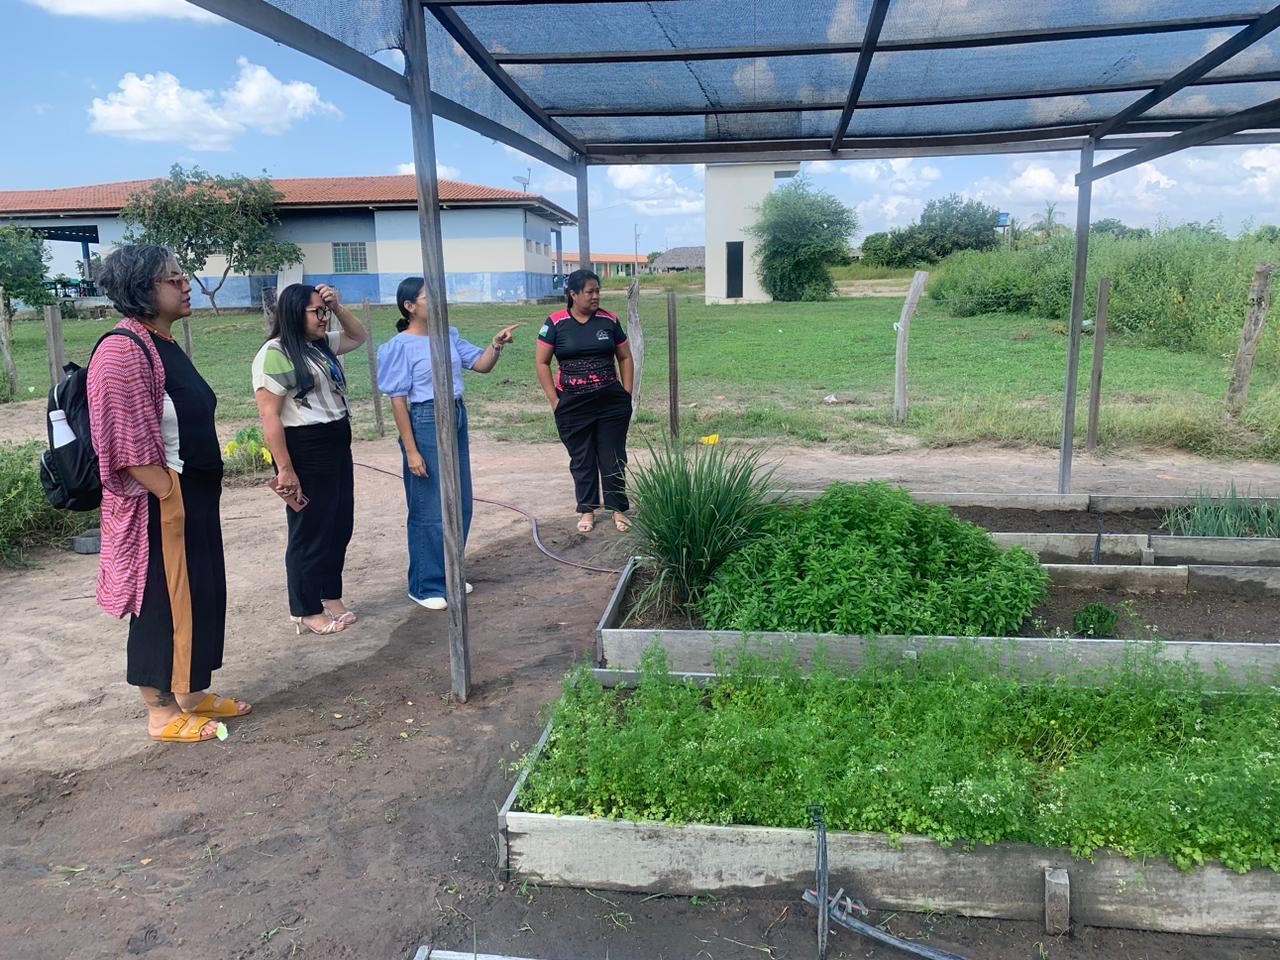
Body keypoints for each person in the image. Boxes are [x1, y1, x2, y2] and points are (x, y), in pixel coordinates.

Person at [88, 244, 250, 743]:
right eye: (172, 278)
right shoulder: (121, 350)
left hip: (192, 493)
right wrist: (167, 492)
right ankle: (160, 712)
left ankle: (192, 692)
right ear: (142, 289)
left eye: (183, 276)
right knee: (163, 599)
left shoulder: (162, 341)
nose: (185, 285)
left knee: (200, 592)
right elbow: (121, 443)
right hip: (160, 501)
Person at [377, 276, 519, 609]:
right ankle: (425, 585)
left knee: (461, 500)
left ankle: (450, 573)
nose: (438, 301)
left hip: (456, 415)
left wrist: (496, 344)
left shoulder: (448, 336)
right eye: (430, 297)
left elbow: (481, 365)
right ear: (410, 307)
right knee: (429, 506)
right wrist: (411, 450)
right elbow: (398, 400)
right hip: (425, 420)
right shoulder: (399, 346)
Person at [253, 283, 367, 635]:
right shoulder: (276, 352)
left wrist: (339, 306)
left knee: (338, 524)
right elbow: (270, 416)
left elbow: (358, 336)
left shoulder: (319, 346)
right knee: (310, 531)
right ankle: (304, 608)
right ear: (293, 313)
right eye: (316, 311)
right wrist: (285, 469)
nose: (323, 317)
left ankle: (329, 594)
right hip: (305, 449)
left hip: (335, 443)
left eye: (325, 311)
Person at [535, 268, 634, 533]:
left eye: (598, 291)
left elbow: (624, 357)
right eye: (590, 292)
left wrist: (627, 393)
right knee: (582, 458)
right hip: (573, 404)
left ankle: (617, 509)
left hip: (611, 402)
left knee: (613, 457)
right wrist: (554, 400)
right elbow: (542, 363)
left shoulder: (609, 320)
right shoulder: (555, 323)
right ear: (573, 294)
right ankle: (587, 509)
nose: (595, 296)